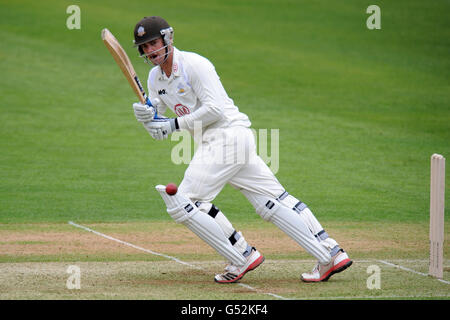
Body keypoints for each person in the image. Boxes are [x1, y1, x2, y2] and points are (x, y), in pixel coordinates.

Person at [131, 16, 352, 283]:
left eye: (153, 43)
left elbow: (214, 110)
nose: (149, 51)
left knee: (185, 202)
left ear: (167, 38)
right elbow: (159, 130)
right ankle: (331, 252)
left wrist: (173, 125)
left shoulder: (195, 65)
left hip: (227, 136)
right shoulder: (155, 78)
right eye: (144, 47)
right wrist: (148, 119)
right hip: (222, 142)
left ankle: (241, 254)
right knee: (271, 201)